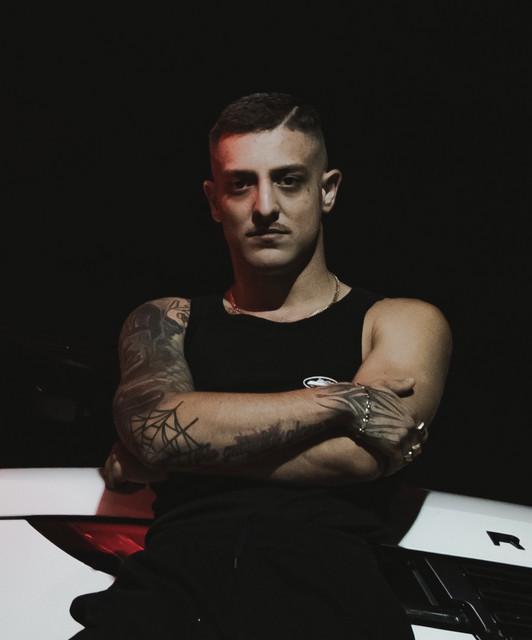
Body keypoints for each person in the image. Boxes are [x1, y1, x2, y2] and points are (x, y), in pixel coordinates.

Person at [70, 92, 452, 639]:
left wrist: (183, 453)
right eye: (241, 184)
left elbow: (358, 457)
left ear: (327, 190)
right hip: (164, 603)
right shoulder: (166, 319)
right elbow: (154, 429)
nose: (265, 206)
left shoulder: (399, 320)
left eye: (289, 180)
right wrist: (342, 400)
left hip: (327, 607)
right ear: (214, 200)